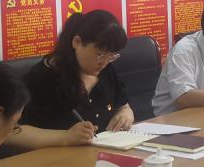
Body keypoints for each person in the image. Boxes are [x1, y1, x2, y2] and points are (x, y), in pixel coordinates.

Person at [15, 10, 134, 146]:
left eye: (112, 56)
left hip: (102, 151)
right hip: (57, 156)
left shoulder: (105, 69)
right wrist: (65, 136)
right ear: (77, 42)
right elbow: (13, 133)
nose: (104, 62)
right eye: (99, 54)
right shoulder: (44, 77)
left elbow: (124, 106)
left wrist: (125, 114)